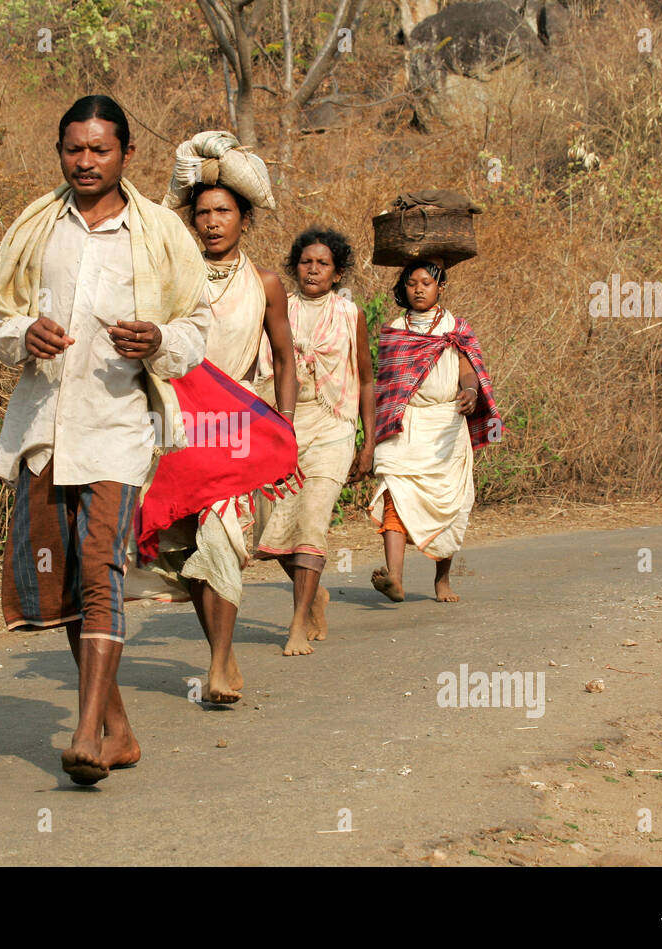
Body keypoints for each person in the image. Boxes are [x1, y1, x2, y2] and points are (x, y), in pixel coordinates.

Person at [0, 95, 211, 786]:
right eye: (73, 149)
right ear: (60, 152)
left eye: (99, 150)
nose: (85, 161)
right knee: (69, 584)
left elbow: (197, 327)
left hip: (118, 427)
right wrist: (23, 334)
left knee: (101, 563)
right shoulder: (36, 229)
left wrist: (160, 339)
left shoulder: (162, 235)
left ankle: (85, 734)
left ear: (126, 155)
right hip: (47, 426)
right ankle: (119, 731)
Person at [143, 132, 297, 703]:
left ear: (245, 219)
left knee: (225, 539)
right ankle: (223, 657)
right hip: (180, 430)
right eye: (202, 212)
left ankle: (216, 665)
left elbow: (283, 358)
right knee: (188, 555)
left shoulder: (266, 285)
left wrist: (284, 425)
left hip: (239, 430)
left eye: (223, 212)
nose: (211, 222)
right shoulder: (174, 278)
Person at [254, 228, 375, 656]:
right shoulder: (275, 308)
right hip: (280, 424)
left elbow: (366, 377)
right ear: (294, 266)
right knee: (269, 526)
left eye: (323, 263)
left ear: (337, 272)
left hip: (333, 426)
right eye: (306, 262)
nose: (313, 269)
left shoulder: (349, 315)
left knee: (313, 519)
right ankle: (316, 596)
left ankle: (296, 625)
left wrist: (368, 442)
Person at [367, 258, 501, 604]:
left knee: (449, 503)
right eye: (412, 283)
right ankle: (395, 578)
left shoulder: (455, 327)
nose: (419, 289)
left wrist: (470, 392)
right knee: (394, 492)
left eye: (427, 282)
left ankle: (442, 579)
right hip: (405, 423)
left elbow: (467, 368)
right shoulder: (397, 328)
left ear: (441, 287)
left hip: (446, 423)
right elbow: (389, 385)